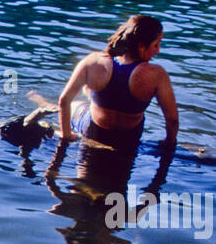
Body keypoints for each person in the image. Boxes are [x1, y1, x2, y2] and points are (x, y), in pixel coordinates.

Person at [57, 14, 178, 150]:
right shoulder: (156, 74)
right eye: (156, 44)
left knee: (73, 105)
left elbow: (63, 101)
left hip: (93, 131)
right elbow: (172, 120)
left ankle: (44, 101)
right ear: (141, 46)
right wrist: (170, 142)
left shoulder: (93, 61)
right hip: (129, 137)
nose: (158, 50)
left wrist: (66, 135)